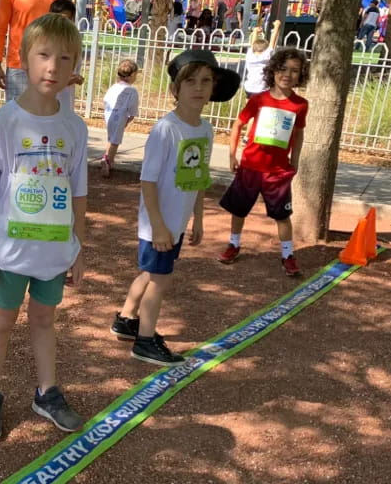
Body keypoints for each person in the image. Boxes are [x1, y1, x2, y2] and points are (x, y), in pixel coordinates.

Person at [0, 13, 87, 440]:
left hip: (54, 253)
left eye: (64, 58)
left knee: (44, 321)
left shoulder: (74, 127)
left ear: (75, 67)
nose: (53, 67)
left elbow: (78, 192)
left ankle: (47, 391)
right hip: (11, 253)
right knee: (0, 323)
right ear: (23, 59)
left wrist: (79, 247)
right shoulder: (2, 123)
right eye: (43, 55)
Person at [112, 50, 240, 365]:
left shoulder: (205, 130)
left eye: (205, 81)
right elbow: (148, 181)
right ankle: (144, 340)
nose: (198, 88)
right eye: (190, 81)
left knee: (152, 271)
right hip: (159, 222)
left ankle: (127, 319)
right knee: (160, 278)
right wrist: (157, 225)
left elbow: (198, 178)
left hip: (177, 221)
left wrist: (197, 218)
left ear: (213, 88)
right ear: (176, 89)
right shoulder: (165, 129)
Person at [219, 47, 310, 277]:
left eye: (294, 71)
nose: (287, 74)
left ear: (301, 75)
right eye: (282, 68)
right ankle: (234, 244)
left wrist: (295, 160)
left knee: (282, 216)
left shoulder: (300, 104)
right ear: (273, 71)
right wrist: (232, 154)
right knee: (239, 210)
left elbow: (298, 134)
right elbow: (238, 124)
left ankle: (288, 255)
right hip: (250, 166)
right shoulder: (259, 99)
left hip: (277, 171)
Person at [98, 58, 140, 178]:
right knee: (115, 141)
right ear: (131, 75)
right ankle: (108, 161)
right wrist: (130, 117)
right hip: (120, 115)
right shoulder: (131, 91)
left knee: (111, 137)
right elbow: (133, 107)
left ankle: (107, 156)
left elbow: (105, 100)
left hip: (109, 114)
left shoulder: (114, 87)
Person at [49, 0, 84, 113]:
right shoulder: (46, 41)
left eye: (68, 19)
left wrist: (76, 78)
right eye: (60, 18)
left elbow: (75, 69)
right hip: (48, 99)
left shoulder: (73, 41)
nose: (63, 23)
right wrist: (66, 80)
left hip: (66, 99)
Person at [242, 20, 281, 98]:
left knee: (250, 107)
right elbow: (272, 43)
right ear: (265, 50)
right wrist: (277, 26)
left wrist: (255, 31)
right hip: (261, 89)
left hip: (249, 87)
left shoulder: (250, 55)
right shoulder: (265, 57)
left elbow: (253, 44)